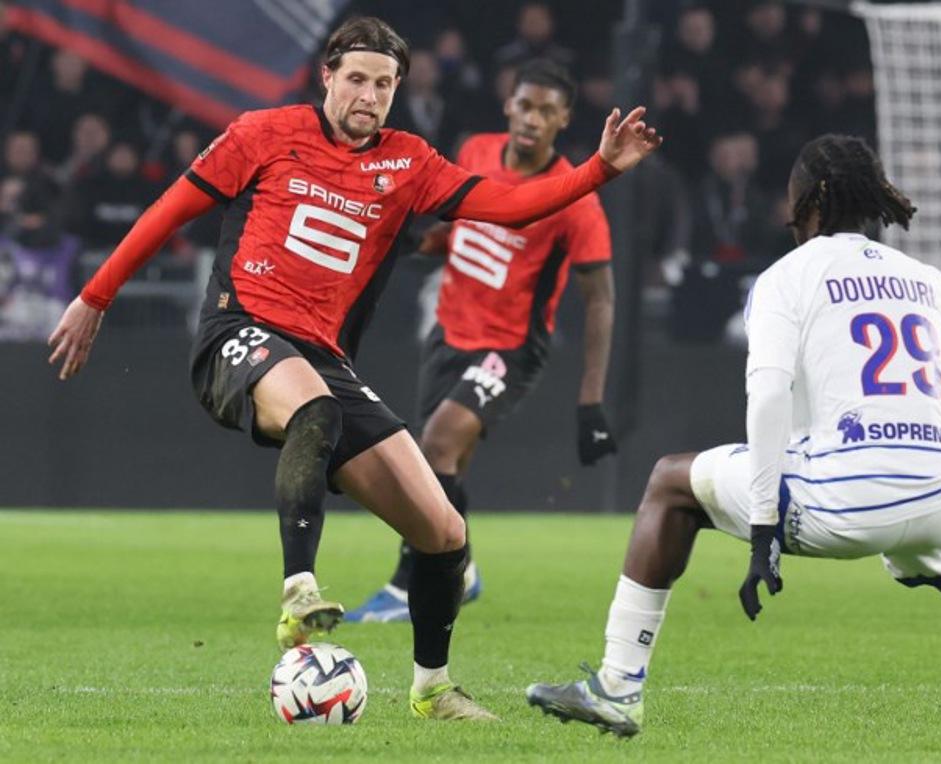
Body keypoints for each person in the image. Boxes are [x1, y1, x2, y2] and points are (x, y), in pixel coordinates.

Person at [47, 16, 660, 722]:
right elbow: (169, 212)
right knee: (315, 411)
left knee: (443, 533)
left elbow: (509, 207)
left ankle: (432, 688)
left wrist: (601, 169)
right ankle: (299, 591)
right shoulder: (262, 134)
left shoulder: (408, 161)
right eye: (359, 79)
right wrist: (95, 296)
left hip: (324, 359)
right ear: (329, 78)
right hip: (238, 334)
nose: (370, 95)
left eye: (385, 84)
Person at [525, 135, 941, 751]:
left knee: (670, 479)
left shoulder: (787, 278)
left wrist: (764, 527)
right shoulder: (924, 279)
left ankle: (618, 685)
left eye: (794, 196)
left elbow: (769, 397)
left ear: (813, 203)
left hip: (843, 505)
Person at [346, 59, 617, 624]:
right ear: (508, 105)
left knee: (436, 446)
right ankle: (459, 569)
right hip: (447, 332)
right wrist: (419, 244)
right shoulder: (474, 151)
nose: (533, 120)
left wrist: (591, 401)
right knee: (444, 466)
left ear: (564, 119)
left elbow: (600, 299)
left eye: (547, 111)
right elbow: (462, 231)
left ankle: (410, 584)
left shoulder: (576, 199)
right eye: (526, 105)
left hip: (509, 347)